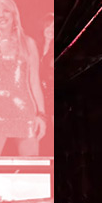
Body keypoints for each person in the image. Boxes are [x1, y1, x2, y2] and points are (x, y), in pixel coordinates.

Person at [0, 0, 46, 156]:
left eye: (6, 11)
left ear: (14, 15)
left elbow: (34, 82)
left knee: (31, 167)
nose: (1, 15)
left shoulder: (28, 43)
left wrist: (41, 115)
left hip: (23, 110)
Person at [40, 13, 55, 156]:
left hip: (52, 92)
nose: (50, 29)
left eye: (54, 27)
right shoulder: (36, 46)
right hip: (39, 93)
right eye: (48, 26)